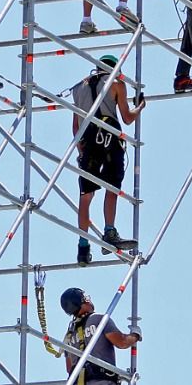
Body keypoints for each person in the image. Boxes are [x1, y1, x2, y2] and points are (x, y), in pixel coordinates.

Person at [70, 55, 143, 265]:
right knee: (112, 188)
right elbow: (128, 118)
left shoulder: (79, 88)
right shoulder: (117, 84)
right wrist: (140, 107)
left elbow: (76, 126)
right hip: (109, 137)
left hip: (87, 138)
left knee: (86, 195)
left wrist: (81, 148)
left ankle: (83, 247)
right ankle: (109, 231)